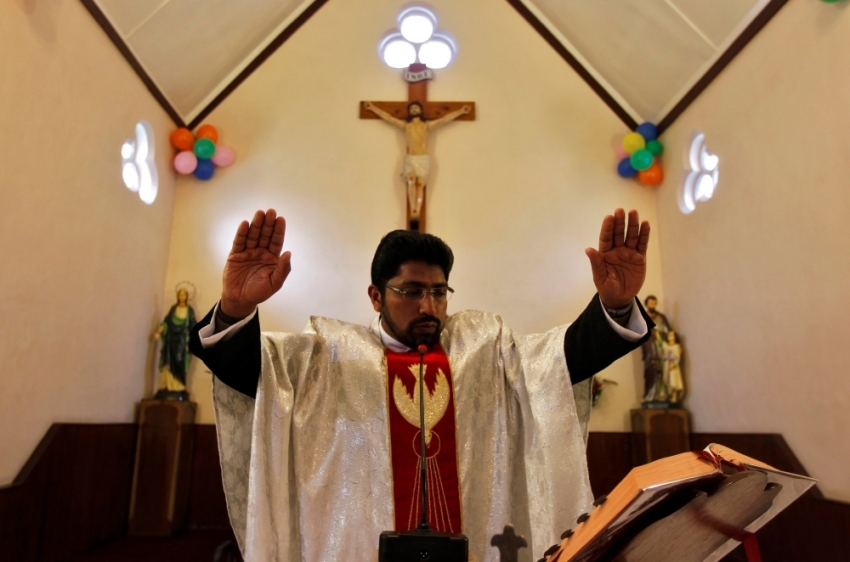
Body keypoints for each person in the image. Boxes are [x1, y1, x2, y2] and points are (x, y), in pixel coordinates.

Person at [189, 208, 654, 561]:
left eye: (438, 291)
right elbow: (255, 373)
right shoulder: (327, 356)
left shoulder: (484, 350)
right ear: (376, 295)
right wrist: (234, 308)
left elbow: (563, 360)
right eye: (411, 292)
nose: (428, 306)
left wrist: (613, 307)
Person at [363, 100, 471, 230]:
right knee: (410, 181)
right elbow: (389, 118)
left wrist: (460, 111)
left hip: (423, 159)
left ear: (420, 110)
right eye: (412, 108)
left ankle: (416, 211)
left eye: (416, 107)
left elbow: (444, 120)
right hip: (411, 158)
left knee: (420, 184)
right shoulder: (406, 126)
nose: (414, 110)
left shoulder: (426, 126)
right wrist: (373, 108)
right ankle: (413, 208)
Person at [153, 285, 197, 399]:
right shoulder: (173, 308)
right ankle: (168, 386)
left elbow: (193, 325)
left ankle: (179, 387)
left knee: (179, 361)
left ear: (187, 296)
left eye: (184, 294)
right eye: (180, 294)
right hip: (171, 339)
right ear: (178, 296)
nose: (182, 296)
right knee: (169, 361)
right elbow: (166, 322)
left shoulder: (189, 310)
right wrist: (159, 331)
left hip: (182, 341)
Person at [662, 330, 685, 404]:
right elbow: (662, 344)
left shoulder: (677, 346)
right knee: (668, 381)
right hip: (667, 366)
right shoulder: (667, 346)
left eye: (672, 335)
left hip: (673, 367)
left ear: (675, 337)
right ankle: (670, 395)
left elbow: (677, 357)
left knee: (674, 382)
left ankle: (675, 396)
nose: (670, 337)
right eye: (669, 335)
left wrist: (674, 364)